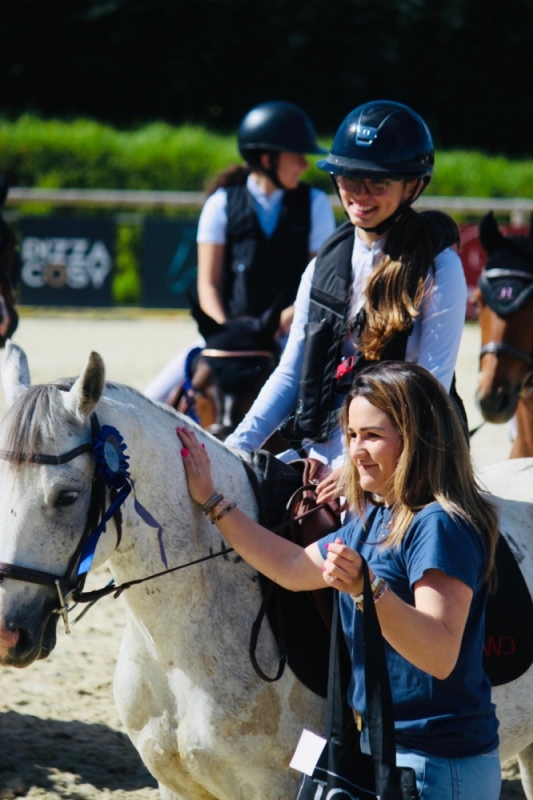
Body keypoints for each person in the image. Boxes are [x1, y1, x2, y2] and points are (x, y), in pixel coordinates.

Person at [176, 361, 501, 800]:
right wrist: (213, 500)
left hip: (436, 767)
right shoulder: (377, 517)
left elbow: (439, 652)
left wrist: (369, 591)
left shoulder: (439, 523)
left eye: (372, 435)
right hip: (386, 753)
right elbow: (291, 568)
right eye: (351, 435)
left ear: (418, 438)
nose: (356, 450)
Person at [224, 100, 467, 503]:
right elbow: (290, 374)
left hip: (403, 455)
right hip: (318, 445)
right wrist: (235, 447)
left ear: (412, 186)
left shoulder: (440, 267)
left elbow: (431, 386)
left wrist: (356, 468)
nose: (360, 194)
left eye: (378, 183)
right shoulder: (323, 264)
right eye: (349, 178)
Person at [144, 100, 336, 402]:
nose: (304, 164)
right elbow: (208, 282)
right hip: (230, 332)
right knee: (153, 397)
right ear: (266, 158)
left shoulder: (315, 204)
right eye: (297, 155)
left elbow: (319, 280)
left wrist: (287, 317)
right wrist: (222, 330)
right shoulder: (220, 203)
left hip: (289, 333)